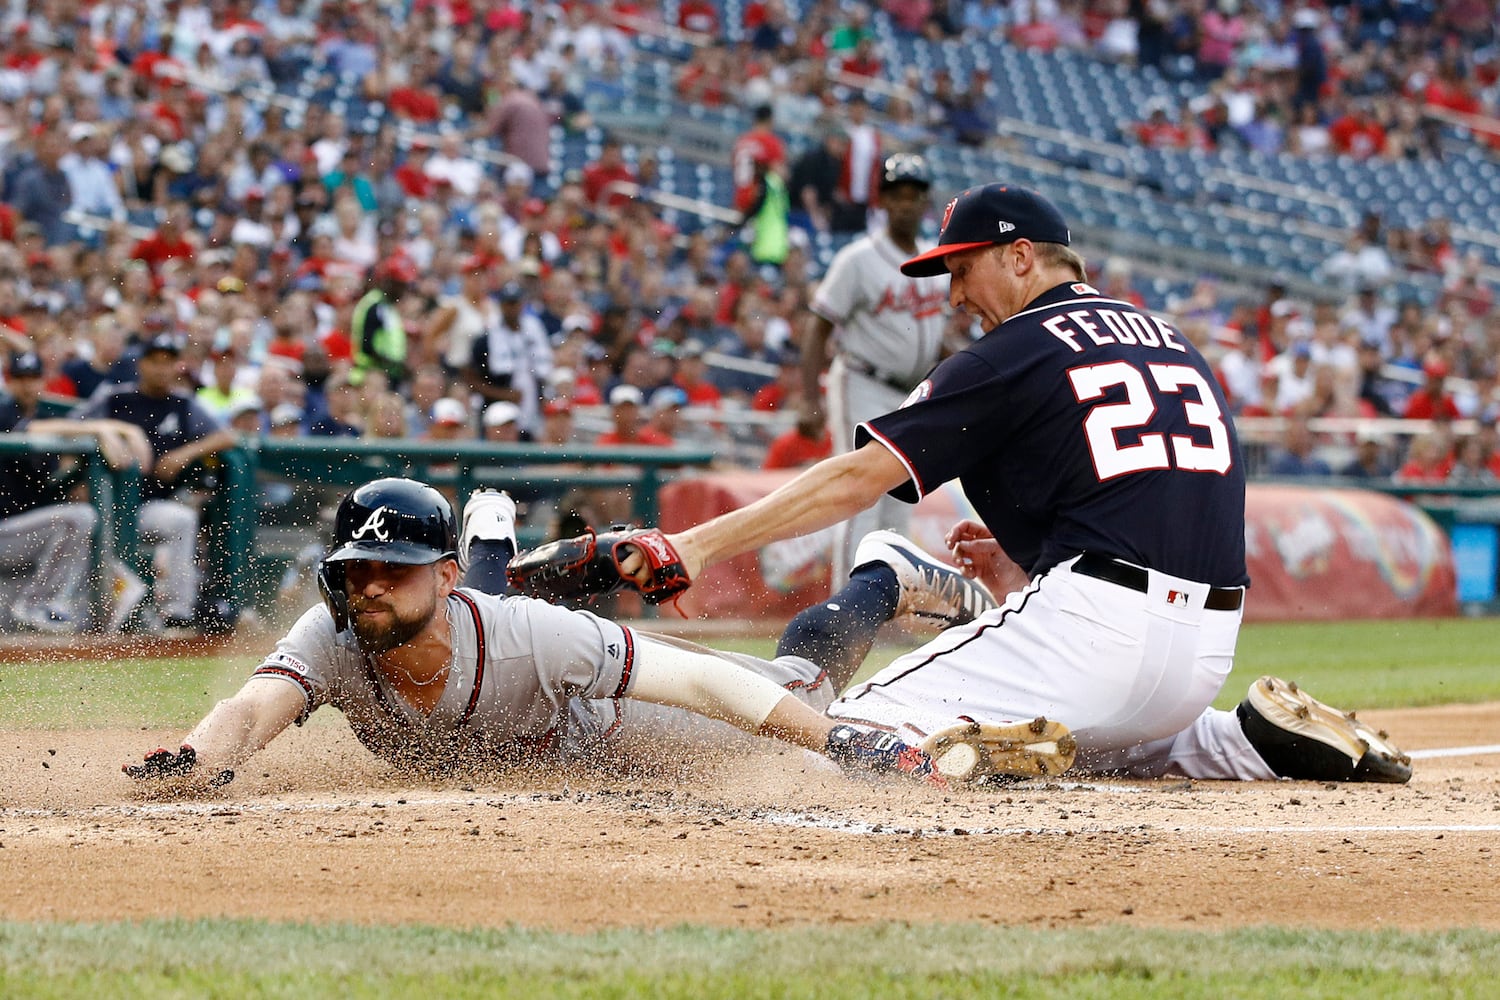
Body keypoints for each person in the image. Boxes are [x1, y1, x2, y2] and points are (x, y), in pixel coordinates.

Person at [620, 182, 1410, 786]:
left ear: (1021, 256)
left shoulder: (1014, 349)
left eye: (962, 271)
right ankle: (1241, 739)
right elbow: (1158, 491)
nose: (956, 297)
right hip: (1204, 650)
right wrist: (1040, 569)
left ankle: (977, 748)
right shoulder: (1171, 340)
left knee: (841, 739)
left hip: (1095, 633)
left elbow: (857, 479)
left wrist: (692, 543)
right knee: (1112, 741)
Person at [121, 480, 1012, 792]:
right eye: (358, 567)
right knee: (483, 614)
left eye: (392, 568)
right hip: (515, 694)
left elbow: (702, 689)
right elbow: (250, 707)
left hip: (605, 726)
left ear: (437, 573)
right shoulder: (337, 634)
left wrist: (836, 739)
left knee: (799, 684)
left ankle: (883, 576)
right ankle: (497, 546)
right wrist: (198, 762)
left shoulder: (527, 636)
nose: (370, 584)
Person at [799, 154, 949, 586]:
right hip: (863, 381)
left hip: (912, 392)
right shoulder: (858, 258)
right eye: (896, 195)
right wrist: (809, 396)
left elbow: (931, 334)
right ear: (882, 201)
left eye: (914, 196)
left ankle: (885, 602)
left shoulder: (933, 261)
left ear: (925, 203)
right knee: (858, 493)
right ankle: (844, 613)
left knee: (901, 497)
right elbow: (818, 326)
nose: (905, 204)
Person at [73, 333, 239, 633]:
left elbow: (227, 436)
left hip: (147, 507)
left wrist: (183, 454)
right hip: (106, 505)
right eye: (155, 361)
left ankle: (177, 611)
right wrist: (106, 431)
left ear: (177, 366)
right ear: (141, 364)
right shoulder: (115, 398)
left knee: (182, 519)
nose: (162, 369)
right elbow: (71, 426)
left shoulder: (182, 403)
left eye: (168, 362)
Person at [0, 351, 149, 633]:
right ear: (10, 382)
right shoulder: (5, 412)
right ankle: (34, 604)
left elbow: (69, 426)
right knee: (78, 518)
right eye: (21, 379)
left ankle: (81, 609)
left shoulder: (46, 412)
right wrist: (98, 429)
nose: (28, 385)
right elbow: (33, 430)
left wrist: (123, 429)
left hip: (26, 529)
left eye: (33, 378)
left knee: (86, 526)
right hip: (6, 529)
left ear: (43, 381)